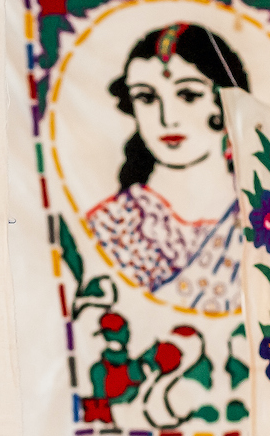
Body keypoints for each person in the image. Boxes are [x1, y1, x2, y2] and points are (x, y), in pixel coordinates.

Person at [84, 22, 250, 313]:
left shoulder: (269, 216)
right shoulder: (112, 225)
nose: (166, 118)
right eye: (146, 98)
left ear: (224, 102)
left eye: (187, 95)